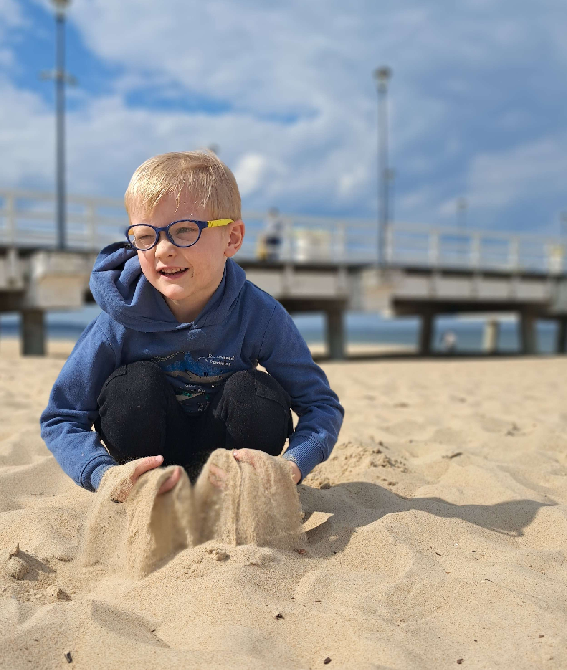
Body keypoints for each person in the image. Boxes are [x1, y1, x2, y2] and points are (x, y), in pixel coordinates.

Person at [40, 151, 344, 501]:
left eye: (184, 230)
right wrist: (102, 473)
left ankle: (237, 493)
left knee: (253, 392)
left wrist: (292, 465)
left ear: (232, 238)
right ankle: (151, 492)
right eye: (145, 236)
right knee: (132, 387)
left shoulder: (259, 315)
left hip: (229, 466)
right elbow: (62, 416)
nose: (162, 250)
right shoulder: (118, 320)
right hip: (150, 466)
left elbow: (320, 405)